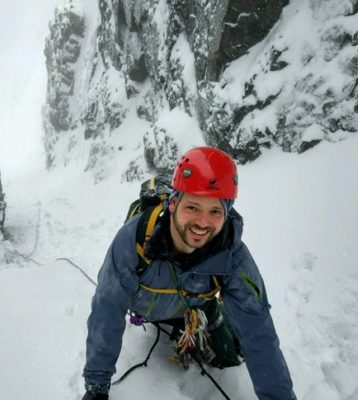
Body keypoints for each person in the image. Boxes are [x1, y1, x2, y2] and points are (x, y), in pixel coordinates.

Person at [82, 147, 296, 400]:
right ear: (173, 204)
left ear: (226, 214)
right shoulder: (134, 240)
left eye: (215, 211)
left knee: (231, 355)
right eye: (193, 207)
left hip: (194, 310)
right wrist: (97, 386)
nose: (202, 222)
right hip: (147, 309)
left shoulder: (232, 256)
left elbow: (258, 331)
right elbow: (107, 311)